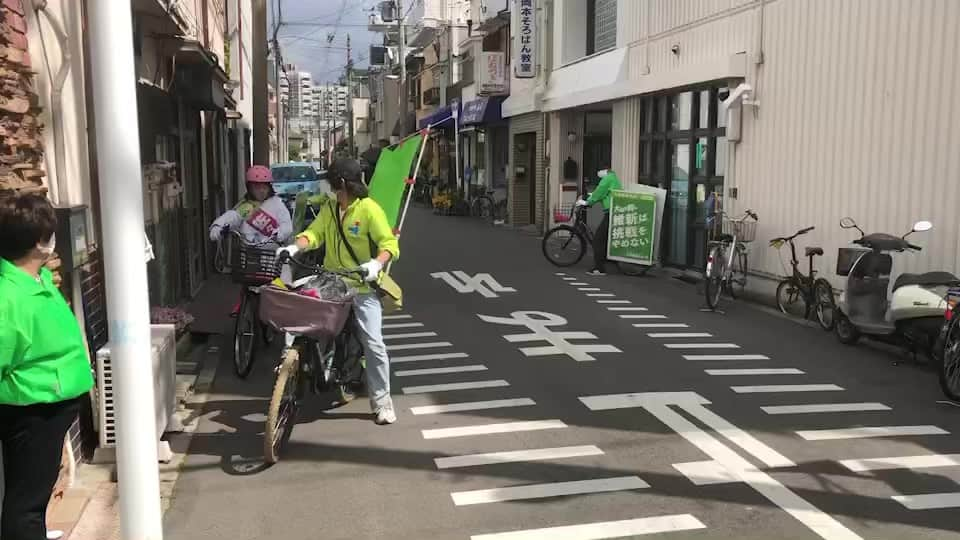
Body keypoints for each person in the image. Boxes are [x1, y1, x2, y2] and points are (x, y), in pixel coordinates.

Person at [0, 194, 95, 540]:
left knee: (33, 498)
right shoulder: (9, 295)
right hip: (31, 411)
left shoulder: (35, 279)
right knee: (26, 503)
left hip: (48, 408)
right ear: (39, 242)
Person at [279, 158, 399, 425]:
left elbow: (389, 243)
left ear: (340, 183)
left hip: (360, 285)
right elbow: (314, 234)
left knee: (374, 343)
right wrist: (295, 247)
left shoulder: (369, 210)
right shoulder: (330, 209)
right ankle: (290, 366)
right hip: (332, 282)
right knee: (298, 313)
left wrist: (375, 263)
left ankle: (382, 403)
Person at [208, 165, 293, 246]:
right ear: (249, 188)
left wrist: (278, 234)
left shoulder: (277, 204)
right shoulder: (247, 206)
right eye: (257, 188)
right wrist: (218, 227)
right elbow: (234, 216)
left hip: (270, 254)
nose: (261, 191)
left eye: (264, 187)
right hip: (248, 252)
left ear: (269, 188)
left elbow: (287, 226)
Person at [576, 167, 623, 276]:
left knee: (598, 240)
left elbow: (599, 192)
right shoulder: (613, 178)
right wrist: (589, 198)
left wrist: (587, 203)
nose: (598, 173)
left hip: (611, 211)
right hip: (614, 210)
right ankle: (608, 261)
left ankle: (599, 269)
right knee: (604, 238)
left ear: (605, 170)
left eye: (600, 170)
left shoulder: (607, 179)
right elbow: (601, 193)